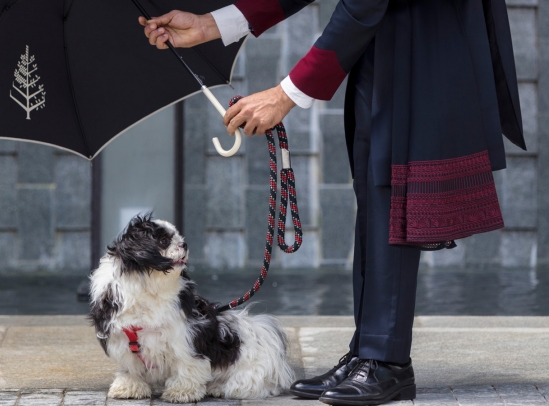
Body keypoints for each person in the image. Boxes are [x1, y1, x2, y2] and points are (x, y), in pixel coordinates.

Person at [140, 1, 525, 405]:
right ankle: (368, 351)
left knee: (392, 193)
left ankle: (386, 362)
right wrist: (210, 24)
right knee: (376, 195)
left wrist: (286, 93)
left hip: (418, 38)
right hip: (386, 40)